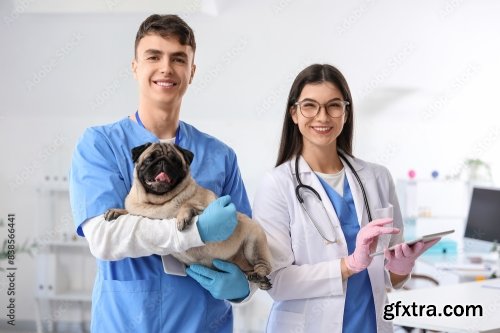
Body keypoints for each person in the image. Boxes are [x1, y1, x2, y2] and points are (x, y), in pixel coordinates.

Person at [69, 14, 252, 333]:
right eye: (153, 56)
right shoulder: (101, 145)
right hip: (125, 323)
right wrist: (195, 231)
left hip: (204, 324)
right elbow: (105, 237)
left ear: (191, 72)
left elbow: (245, 245)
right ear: (135, 66)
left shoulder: (220, 156)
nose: (166, 68)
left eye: (178, 59)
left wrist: (244, 289)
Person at [252, 64, 439, 333]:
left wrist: (403, 266)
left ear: (346, 112)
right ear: (294, 113)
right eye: (310, 105)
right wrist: (349, 265)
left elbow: (390, 280)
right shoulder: (277, 184)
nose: (322, 116)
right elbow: (276, 282)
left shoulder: (378, 177)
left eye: (333, 106)